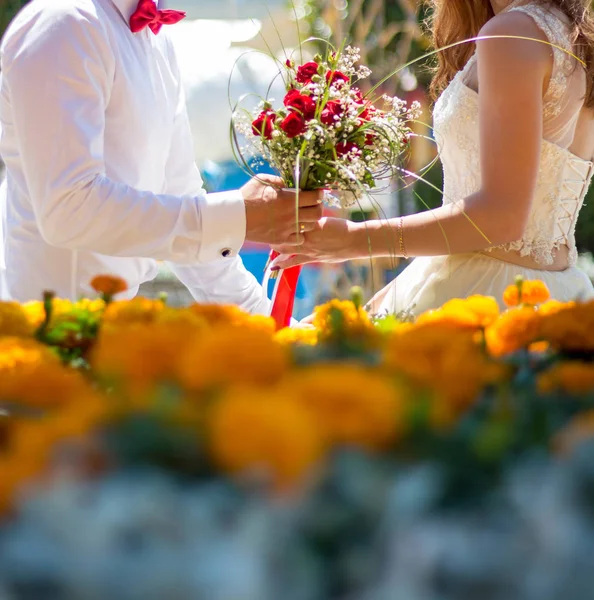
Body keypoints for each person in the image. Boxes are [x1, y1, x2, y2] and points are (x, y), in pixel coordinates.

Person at [272, 0, 594, 316]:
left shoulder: (512, 34)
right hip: (555, 291)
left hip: (485, 299)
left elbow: (501, 218)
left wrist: (355, 239)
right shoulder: (574, 35)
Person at [0, 0, 322, 310]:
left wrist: (267, 322)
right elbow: (69, 208)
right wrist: (238, 217)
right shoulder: (66, 22)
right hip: (39, 330)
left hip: (109, 327)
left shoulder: (155, 40)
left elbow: (179, 192)